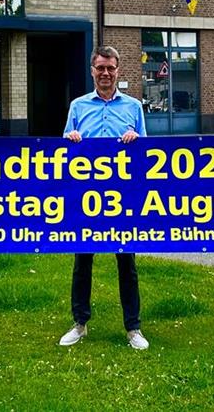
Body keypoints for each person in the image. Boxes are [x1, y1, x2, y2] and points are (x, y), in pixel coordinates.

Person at [58, 45, 149, 351]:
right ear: (92, 71)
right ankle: (80, 324)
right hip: (86, 200)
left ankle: (133, 328)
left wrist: (136, 142)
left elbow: (147, 155)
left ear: (118, 71)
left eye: (111, 68)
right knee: (82, 262)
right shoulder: (78, 106)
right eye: (101, 68)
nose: (106, 73)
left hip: (122, 201)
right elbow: (62, 154)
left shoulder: (134, 107)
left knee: (127, 264)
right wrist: (70, 140)